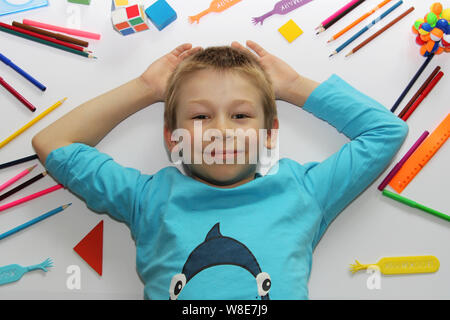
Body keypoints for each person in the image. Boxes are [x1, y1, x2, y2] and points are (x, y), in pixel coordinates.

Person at [32, 41, 408, 299]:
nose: (222, 130)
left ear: (269, 133)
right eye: (200, 116)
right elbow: (53, 143)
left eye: (241, 115)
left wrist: (292, 86)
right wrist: (145, 88)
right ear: (172, 138)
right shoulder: (147, 199)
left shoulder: (301, 191)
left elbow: (386, 131)